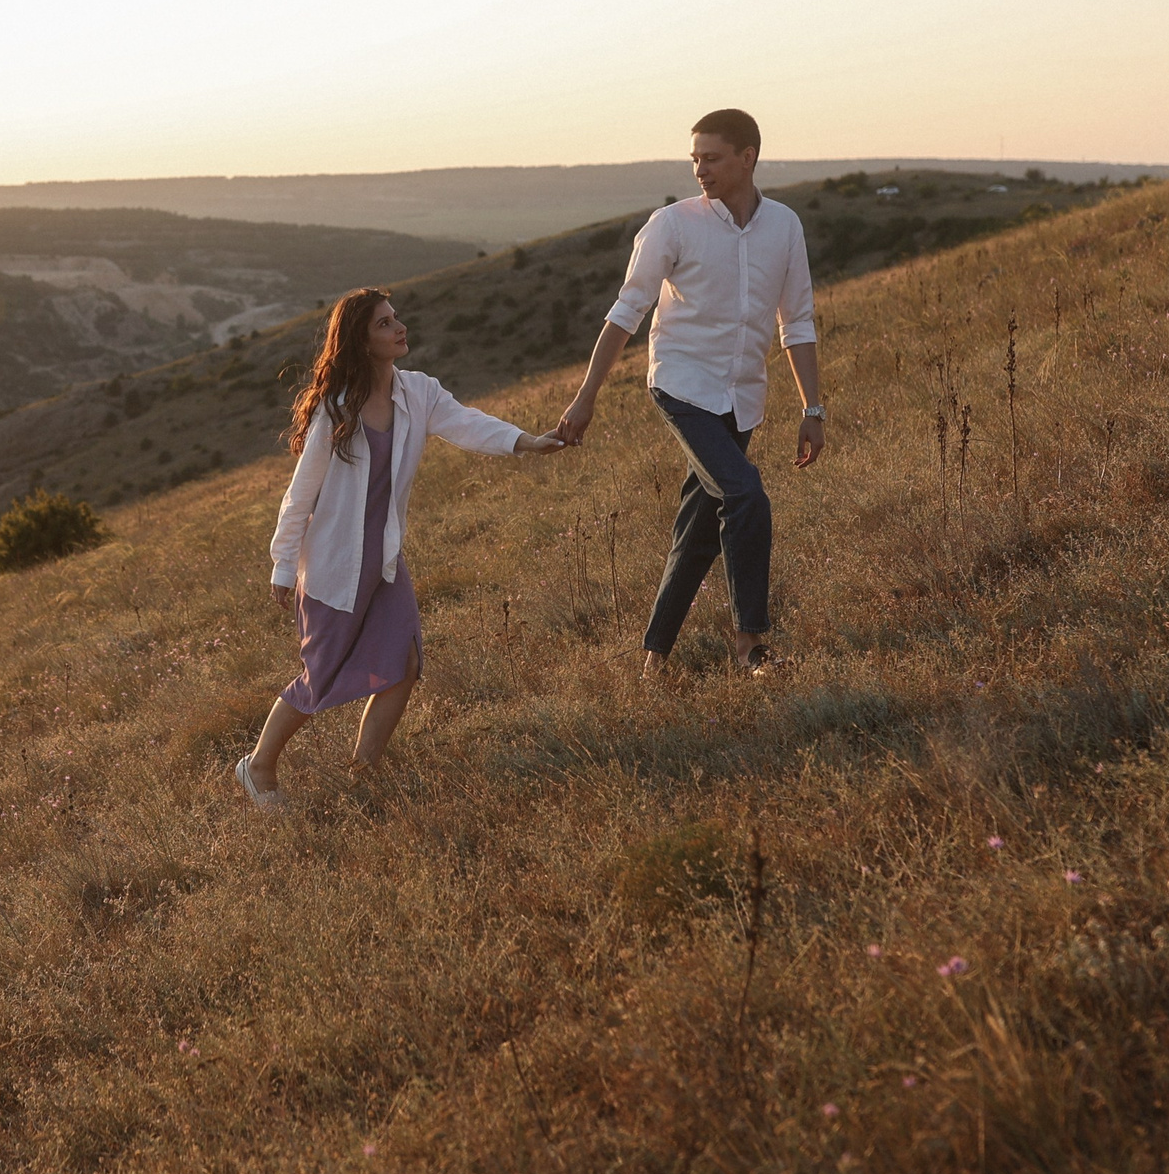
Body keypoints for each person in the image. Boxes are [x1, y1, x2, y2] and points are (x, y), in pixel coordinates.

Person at [239, 288, 563, 810]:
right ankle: (257, 767)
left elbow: (467, 423)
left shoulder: (419, 392)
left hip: (384, 558)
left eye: (397, 319)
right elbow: (300, 494)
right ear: (363, 343)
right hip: (334, 563)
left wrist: (526, 441)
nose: (400, 328)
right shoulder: (336, 409)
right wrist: (282, 564)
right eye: (385, 324)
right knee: (319, 675)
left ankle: (363, 775)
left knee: (405, 663)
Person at [555, 108, 824, 674]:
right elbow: (625, 313)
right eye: (695, 158)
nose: (700, 169)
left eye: (712, 158)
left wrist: (811, 408)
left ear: (747, 157)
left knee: (700, 529)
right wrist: (586, 396)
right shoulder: (672, 224)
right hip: (681, 385)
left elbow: (796, 322)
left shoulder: (785, 226)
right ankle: (751, 645)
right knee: (745, 493)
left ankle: (653, 660)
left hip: (743, 398)